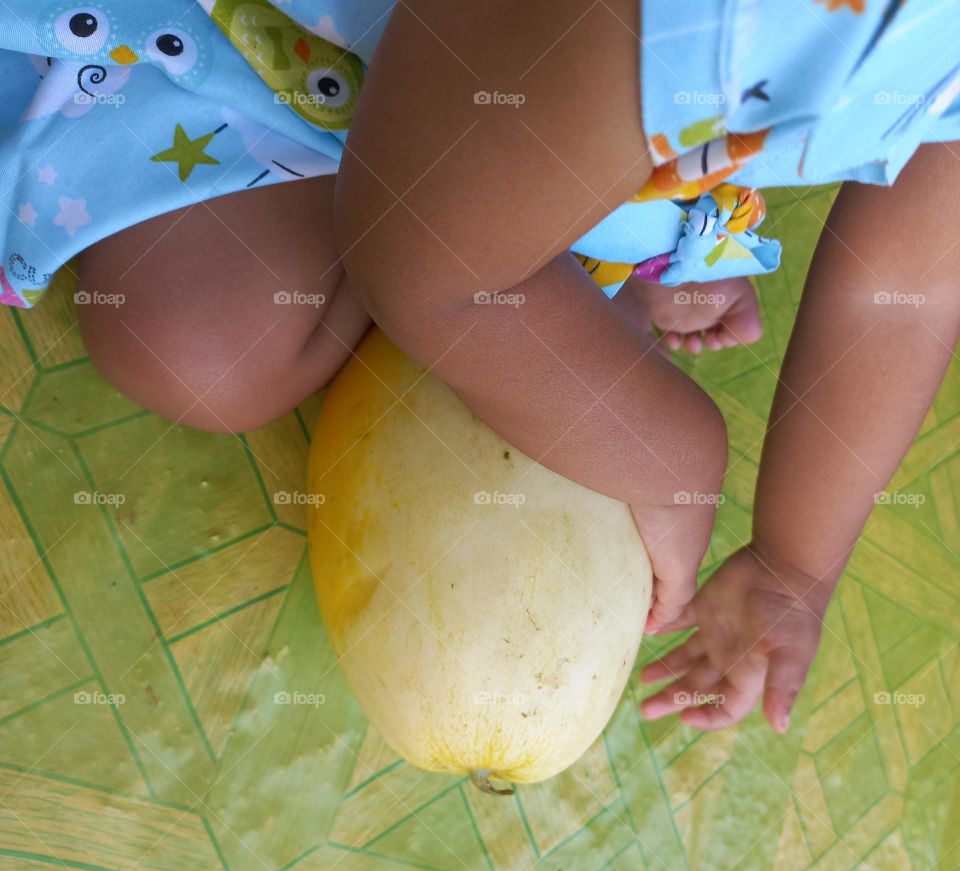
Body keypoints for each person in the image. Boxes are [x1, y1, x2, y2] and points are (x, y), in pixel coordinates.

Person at [3, 0, 958, 733]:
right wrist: (666, 454)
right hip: (337, 53)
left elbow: (904, 285)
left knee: (247, 339)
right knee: (199, 353)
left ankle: (576, 241)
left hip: (538, 105)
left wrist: (797, 564)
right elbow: (423, 263)